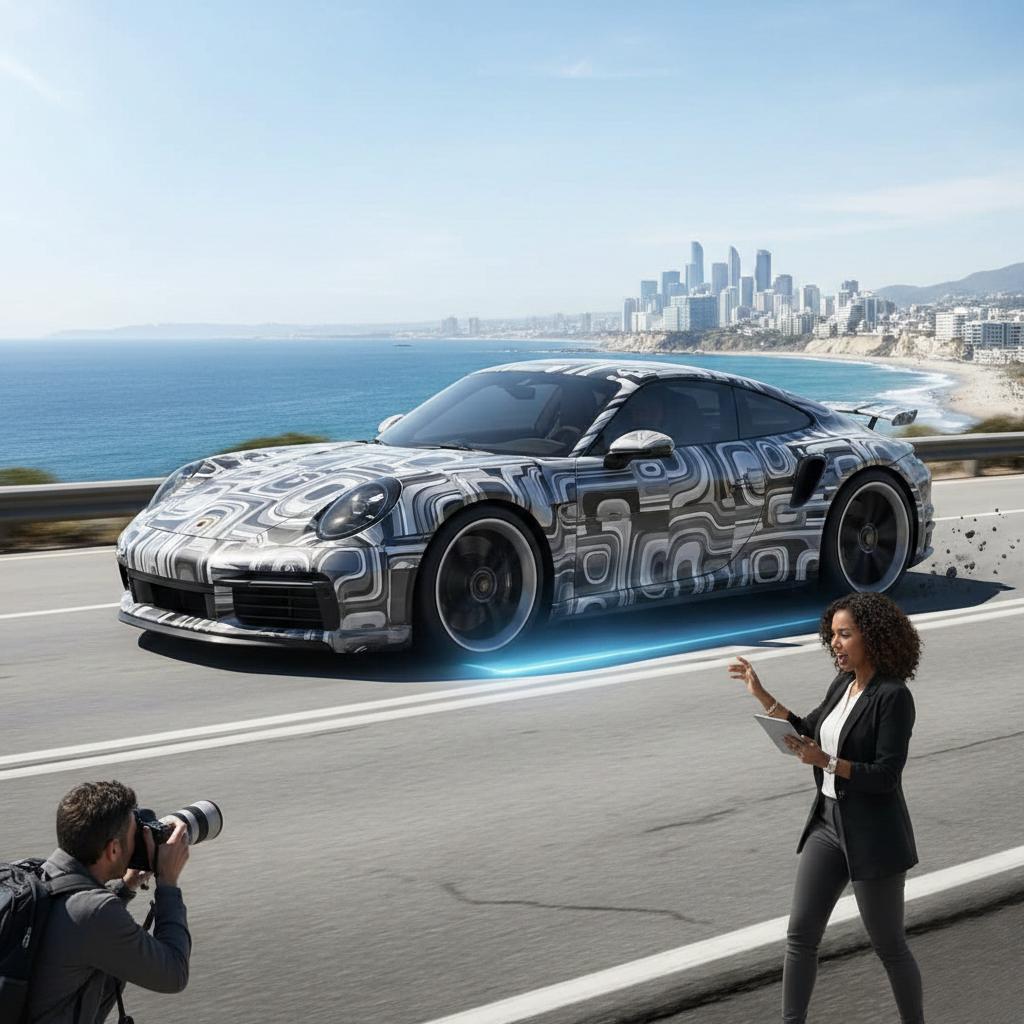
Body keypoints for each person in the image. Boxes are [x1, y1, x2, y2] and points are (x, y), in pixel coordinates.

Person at [728, 591, 924, 1024]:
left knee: (889, 947)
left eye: (845, 634)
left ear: (871, 637)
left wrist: (828, 762)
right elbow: (808, 729)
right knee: (800, 935)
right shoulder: (843, 684)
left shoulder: (893, 697)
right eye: (832, 635)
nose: (835, 643)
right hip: (828, 825)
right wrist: (761, 694)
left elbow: (887, 776)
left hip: (874, 836)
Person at [29, 780, 192, 1024]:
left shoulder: (33, 875)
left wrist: (125, 887)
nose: (138, 839)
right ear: (113, 850)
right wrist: (167, 882)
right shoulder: (94, 912)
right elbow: (174, 974)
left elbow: (75, 927)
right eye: (135, 833)